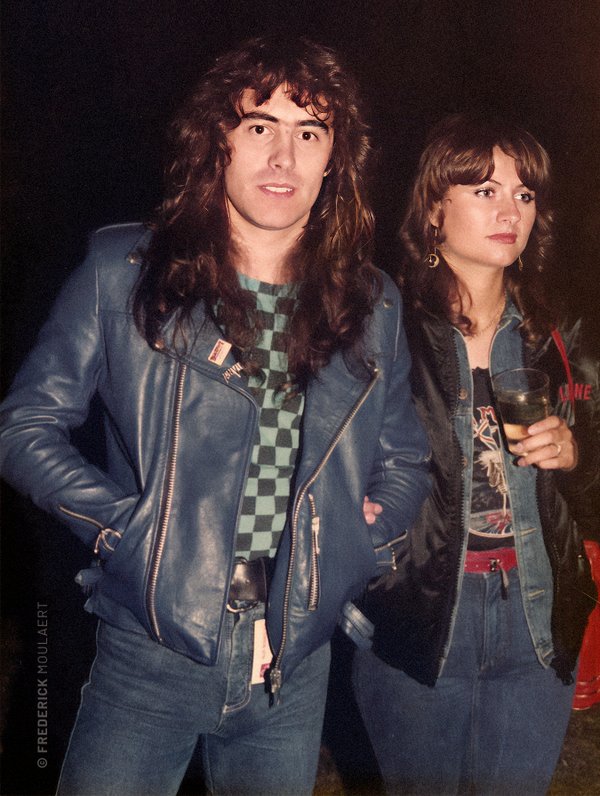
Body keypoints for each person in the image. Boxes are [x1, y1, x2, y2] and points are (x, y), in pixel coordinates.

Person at [0, 36, 430, 796]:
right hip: (149, 652)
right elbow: (26, 426)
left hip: (293, 664)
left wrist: (360, 549)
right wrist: (125, 529)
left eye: (310, 133)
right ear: (219, 140)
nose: (283, 157)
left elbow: (403, 460)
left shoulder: (372, 304)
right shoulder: (125, 273)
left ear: (335, 159)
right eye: (260, 125)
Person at [352, 113, 600, 795]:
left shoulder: (559, 335)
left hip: (534, 615)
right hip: (424, 611)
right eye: (485, 191)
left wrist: (577, 455)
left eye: (524, 195)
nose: (510, 211)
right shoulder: (382, 327)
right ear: (435, 209)